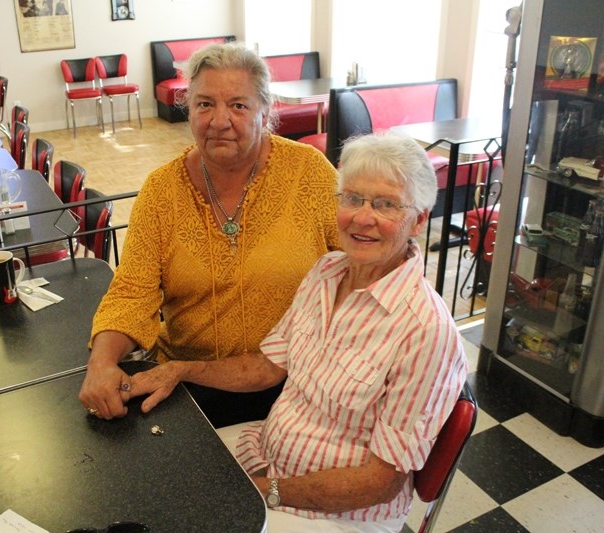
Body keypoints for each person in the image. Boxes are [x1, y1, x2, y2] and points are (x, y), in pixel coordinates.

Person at [127, 131, 468, 532]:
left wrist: (262, 491)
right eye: (353, 198)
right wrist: (181, 370)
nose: (362, 217)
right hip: (267, 454)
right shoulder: (327, 272)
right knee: (161, 484)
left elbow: (379, 483)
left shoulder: (425, 331)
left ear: (419, 220)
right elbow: (266, 367)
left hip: (339, 514)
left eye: (385, 204)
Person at [78, 42, 339, 427]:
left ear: (265, 112)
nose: (219, 120)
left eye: (238, 105)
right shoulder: (162, 190)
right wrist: (101, 362)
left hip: (299, 382)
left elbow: (357, 267)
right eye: (204, 104)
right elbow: (133, 290)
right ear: (188, 110)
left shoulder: (309, 172)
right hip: (186, 382)